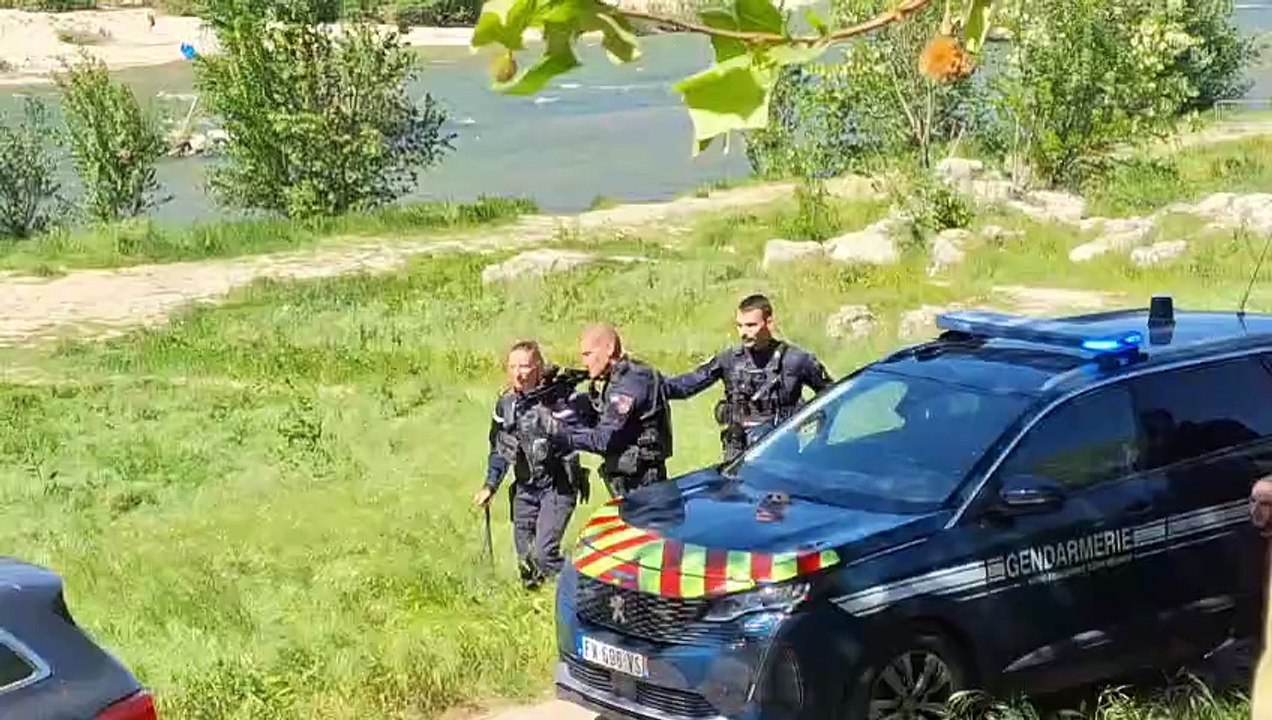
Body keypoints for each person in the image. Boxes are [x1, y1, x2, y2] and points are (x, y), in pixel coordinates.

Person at [473, 340, 594, 590]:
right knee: (526, 562)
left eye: (525, 366)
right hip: (525, 489)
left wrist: (558, 421)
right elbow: (499, 450)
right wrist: (490, 485)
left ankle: (590, 587)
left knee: (544, 556)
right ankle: (535, 603)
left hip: (558, 486)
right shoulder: (505, 405)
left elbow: (591, 431)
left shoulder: (559, 399)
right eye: (513, 367)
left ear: (538, 367)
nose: (518, 373)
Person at [664, 293, 834, 462]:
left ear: (769, 323)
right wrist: (651, 382)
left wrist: (817, 441)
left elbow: (833, 397)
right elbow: (686, 386)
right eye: (740, 325)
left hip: (782, 452)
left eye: (751, 325)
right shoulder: (729, 359)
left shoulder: (795, 360)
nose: (743, 332)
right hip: (736, 453)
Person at [542, 323, 674, 498]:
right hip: (630, 478)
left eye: (588, 354)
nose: (584, 362)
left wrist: (562, 437)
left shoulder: (628, 384)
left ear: (609, 349)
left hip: (642, 481)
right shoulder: (615, 382)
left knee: (649, 517)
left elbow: (603, 440)